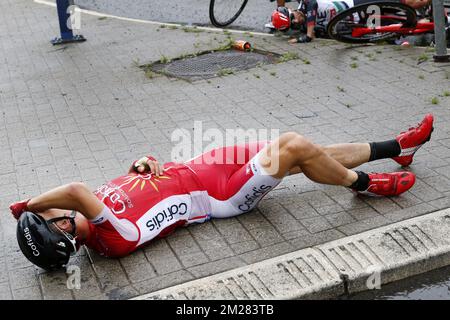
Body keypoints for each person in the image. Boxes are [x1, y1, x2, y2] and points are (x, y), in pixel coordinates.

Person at [11, 114, 434, 271]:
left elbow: (133, 187)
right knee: (294, 146)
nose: (54, 208)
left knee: (309, 152)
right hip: (224, 196)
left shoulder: (96, 216)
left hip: (200, 165)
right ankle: (364, 185)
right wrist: (26, 207)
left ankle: (398, 148)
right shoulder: (112, 240)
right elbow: (75, 189)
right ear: (65, 228)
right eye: (51, 216)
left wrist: (143, 164)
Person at [270, 0, 432, 43]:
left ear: (291, 10)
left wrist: (307, 35)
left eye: (293, 18)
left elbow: (312, 6)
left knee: (407, 3)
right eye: (294, 25)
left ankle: (435, 6)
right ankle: (432, 23)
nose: (297, 22)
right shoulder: (305, 26)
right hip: (360, 22)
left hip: (357, 3)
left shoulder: (305, 4)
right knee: (401, 25)